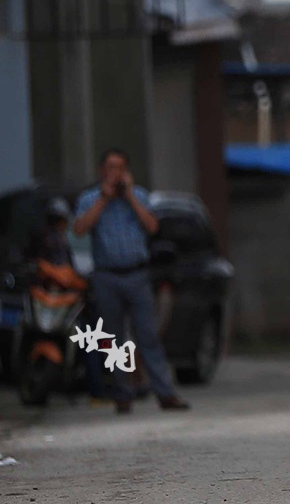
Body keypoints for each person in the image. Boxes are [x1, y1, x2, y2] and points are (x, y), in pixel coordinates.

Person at [73, 148, 189, 414]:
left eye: (121, 168)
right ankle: (122, 394)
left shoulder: (139, 196)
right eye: (111, 168)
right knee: (112, 340)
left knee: (148, 335)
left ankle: (165, 393)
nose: (116, 173)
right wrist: (104, 199)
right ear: (103, 171)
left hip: (137, 274)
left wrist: (130, 198)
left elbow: (153, 227)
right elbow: (79, 229)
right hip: (106, 276)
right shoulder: (90, 199)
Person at [28, 197, 109, 404]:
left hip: (73, 302)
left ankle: (98, 388)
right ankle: (97, 389)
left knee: (91, 336)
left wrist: (82, 284)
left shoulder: (75, 241)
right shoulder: (44, 242)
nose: (58, 226)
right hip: (49, 303)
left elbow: (78, 275)